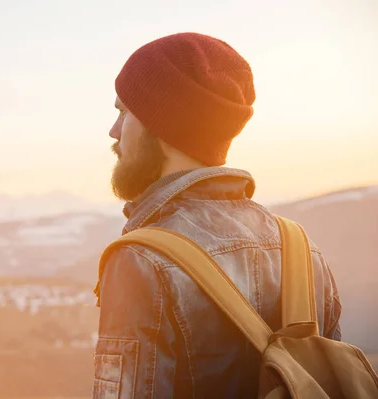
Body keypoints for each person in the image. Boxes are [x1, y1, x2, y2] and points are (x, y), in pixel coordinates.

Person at [92, 32, 342, 398]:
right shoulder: (302, 249)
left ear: (159, 123)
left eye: (124, 112)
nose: (113, 131)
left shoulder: (141, 260)